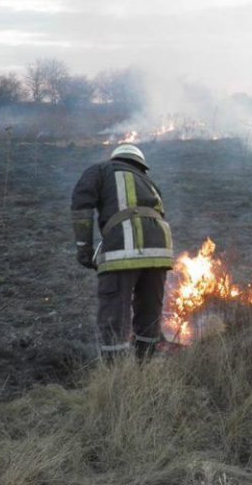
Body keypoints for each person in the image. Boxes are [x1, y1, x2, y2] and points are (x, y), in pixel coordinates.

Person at [71, 144, 174, 361]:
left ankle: (115, 374)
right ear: (140, 163)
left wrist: (84, 250)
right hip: (160, 251)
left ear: (116, 158)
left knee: (114, 311)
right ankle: (145, 365)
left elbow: (81, 206)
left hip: (125, 248)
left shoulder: (101, 170)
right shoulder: (149, 182)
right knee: (149, 311)